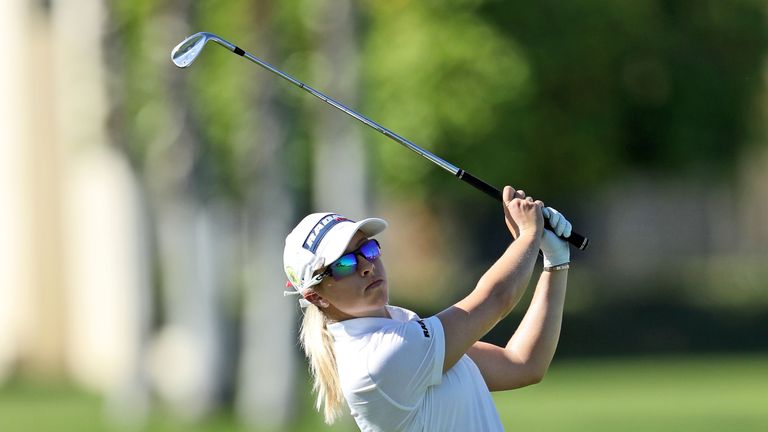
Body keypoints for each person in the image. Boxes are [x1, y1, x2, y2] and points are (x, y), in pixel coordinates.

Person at [282, 186, 572, 431]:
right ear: (315, 297)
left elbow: (521, 364)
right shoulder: (379, 358)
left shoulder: (401, 326)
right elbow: (495, 298)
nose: (366, 266)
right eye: (343, 264)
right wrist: (528, 237)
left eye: (367, 249)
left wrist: (555, 261)